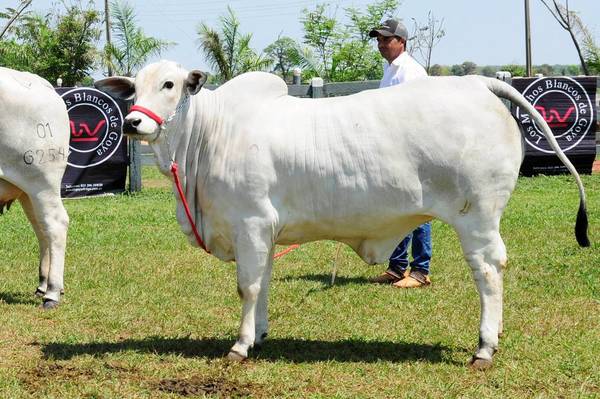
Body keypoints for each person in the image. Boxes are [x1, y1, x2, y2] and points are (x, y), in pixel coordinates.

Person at [368, 18, 432, 288]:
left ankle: (420, 270)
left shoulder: (410, 72)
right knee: (397, 209)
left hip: (411, 150)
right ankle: (397, 267)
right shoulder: (390, 70)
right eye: (379, 40)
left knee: (417, 209)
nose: (381, 44)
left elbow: (418, 114)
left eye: (386, 39)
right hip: (393, 150)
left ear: (401, 42)